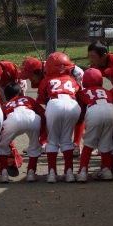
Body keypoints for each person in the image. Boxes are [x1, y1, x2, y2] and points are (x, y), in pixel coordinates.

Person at [36, 52, 81, 183]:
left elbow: (41, 101)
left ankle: (51, 174)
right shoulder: (72, 80)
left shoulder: (46, 80)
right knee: (67, 140)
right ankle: (69, 173)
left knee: (52, 141)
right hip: (73, 105)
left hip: (54, 104)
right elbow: (78, 94)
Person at [75, 68, 113, 182]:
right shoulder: (107, 91)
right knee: (106, 142)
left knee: (89, 143)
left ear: (84, 82)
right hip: (111, 110)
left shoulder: (83, 92)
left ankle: (82, 171)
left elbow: (81, 111)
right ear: (101, 81)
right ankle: (106, 170)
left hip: (93, 109)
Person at [0, 82, 46, 183]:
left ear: (6, 96)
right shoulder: (29, 99)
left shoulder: (6, 104)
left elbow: (1, 123)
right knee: (34, 146)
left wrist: (6, 141)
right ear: (21, 93)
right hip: (31, 117)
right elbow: (42, 114)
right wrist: (40, 133)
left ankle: (3, 174)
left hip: (13, 119)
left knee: (2, 147)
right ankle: (31, 174)